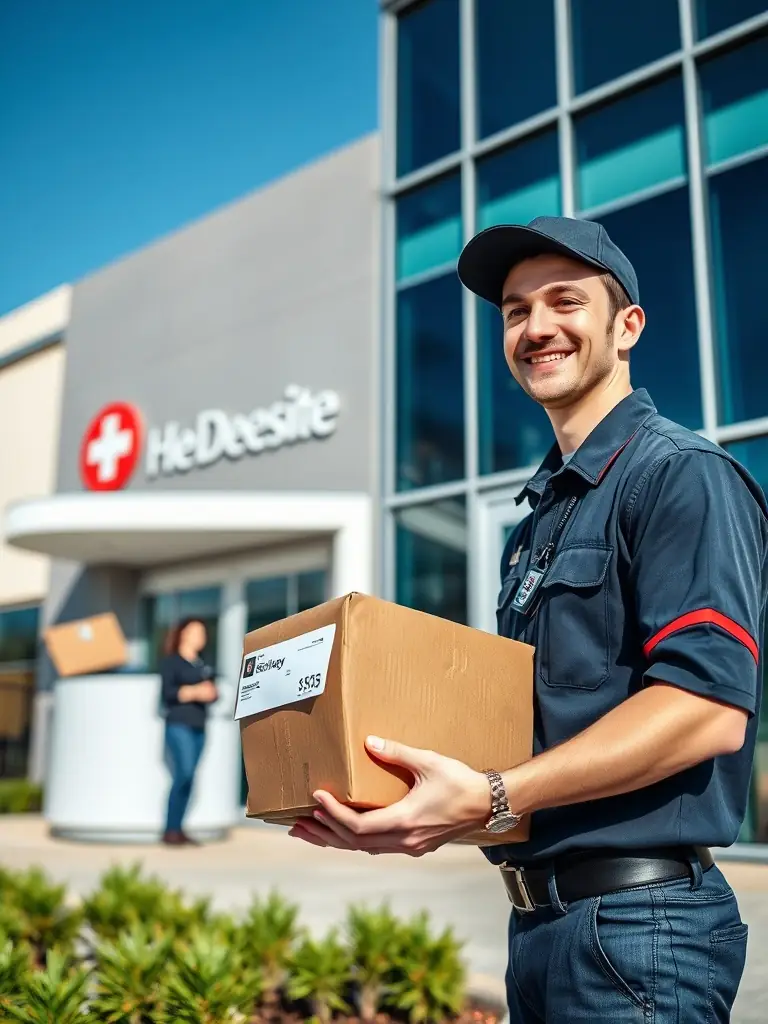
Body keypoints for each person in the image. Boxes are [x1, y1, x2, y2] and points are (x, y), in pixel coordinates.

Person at [288, 216, 768, 1021]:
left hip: (641, 936)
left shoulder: (681, 476)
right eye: (515, 311)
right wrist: (413, 811)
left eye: (564, 302)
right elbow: (533, 742)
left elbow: (705, 711)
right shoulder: (538, 522)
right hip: (543, 929)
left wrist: (493, 796)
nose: (536, 327)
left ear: (627, 328)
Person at [159, 617, 218, 846]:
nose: (201, 637)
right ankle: (170, 830)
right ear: (183, 633)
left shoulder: (202, 665)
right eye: (196, 632)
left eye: (203, 633)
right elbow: (169, 694)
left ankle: (178, 829)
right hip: (179, 726)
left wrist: (210, 693)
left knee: (190, 778)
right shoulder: (171, 662)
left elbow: (212, 692)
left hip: (199, 727)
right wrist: (195, 692)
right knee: (183, 774)